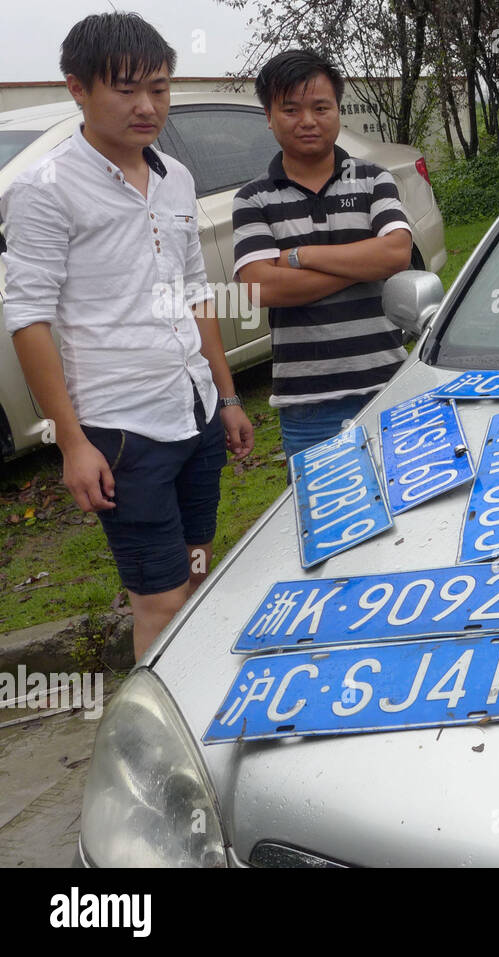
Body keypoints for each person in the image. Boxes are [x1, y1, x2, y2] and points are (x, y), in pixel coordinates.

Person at [1, 13, 254, 660]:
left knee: (196, 568)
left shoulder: (175, 176)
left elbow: (198, 291)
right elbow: (27, 317)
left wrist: (225, 398)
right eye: (126, 88)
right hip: (121, 430)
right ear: (77, 88)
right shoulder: (42, 189)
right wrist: (73, 442)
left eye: (160, 88)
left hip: (194, 408)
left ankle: (194, 696)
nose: (148, 106)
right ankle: (157, 739)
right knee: (158, 599)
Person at [232, 50, 414, 462]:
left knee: (409, 515)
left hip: (387, 385)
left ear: (337, 110)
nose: (308, 120)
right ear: (269, 116)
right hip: (307, 404)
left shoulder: (373, 179)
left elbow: (397, 253)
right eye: (291, 109)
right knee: (328, 521)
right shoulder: (253, 199)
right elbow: (261, 287)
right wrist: (361, 264)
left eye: (320, 107)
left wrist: (300, 256)